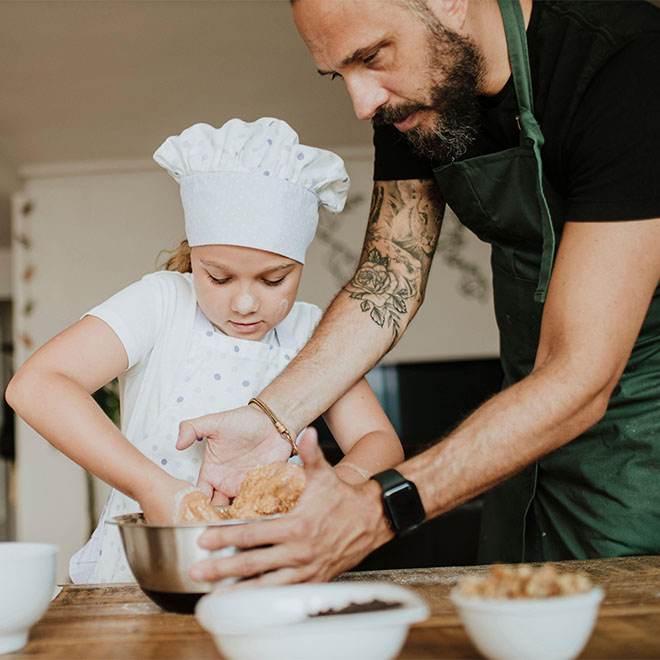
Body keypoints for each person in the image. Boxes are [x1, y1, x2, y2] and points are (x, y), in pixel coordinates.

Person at [175, 0, 660, 589]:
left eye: (372, 57)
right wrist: (269, 419)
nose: (362, 104)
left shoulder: (628, 66)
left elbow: (581, 375)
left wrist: (383, 506)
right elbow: (389, 279)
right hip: (517, 437)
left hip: (640, 448)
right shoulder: (413, 104)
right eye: (340, 75)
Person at [4, 117, 403, 583]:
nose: (246, 303)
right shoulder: (163, 303)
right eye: (218, 277)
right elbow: (35, 387)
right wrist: (152, 487)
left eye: (275, 279)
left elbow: (380, 443)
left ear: (299, 264)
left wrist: (329, 486)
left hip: (273, 567)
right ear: (193, 258)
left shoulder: (312, 332)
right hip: (147, 571)